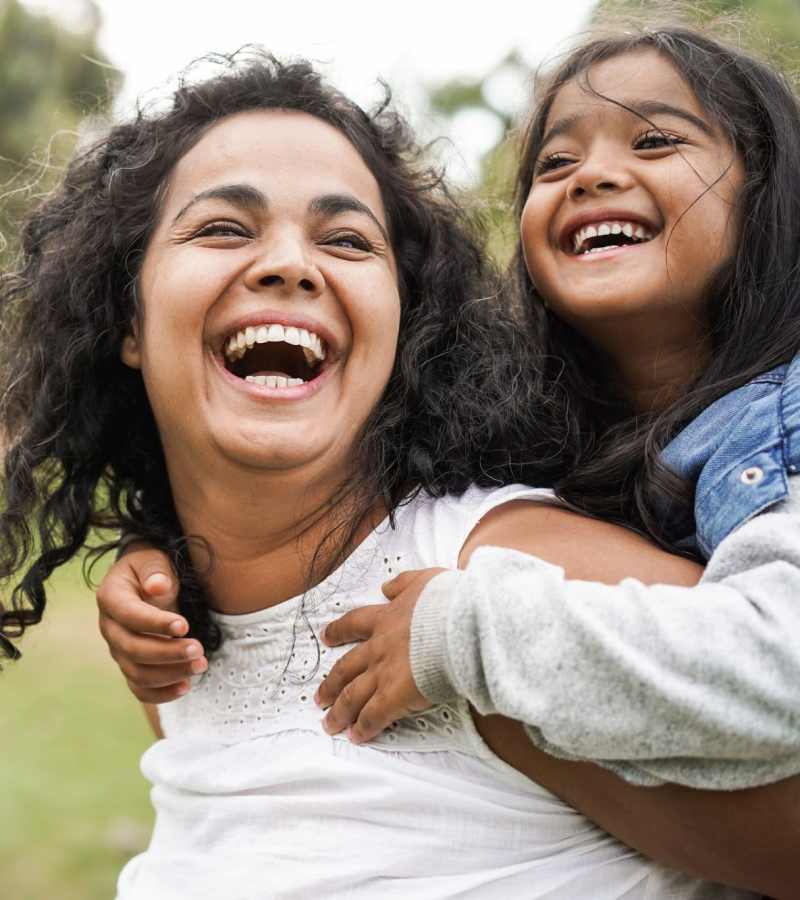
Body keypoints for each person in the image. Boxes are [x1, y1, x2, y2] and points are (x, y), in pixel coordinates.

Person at [0, 50, 752, 899]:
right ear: (126, 318)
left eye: (347, 240)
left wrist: (475, 648)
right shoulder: (176, 637)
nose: (289, 264)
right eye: (222, 228)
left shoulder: (502, 592)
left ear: (403, 329)